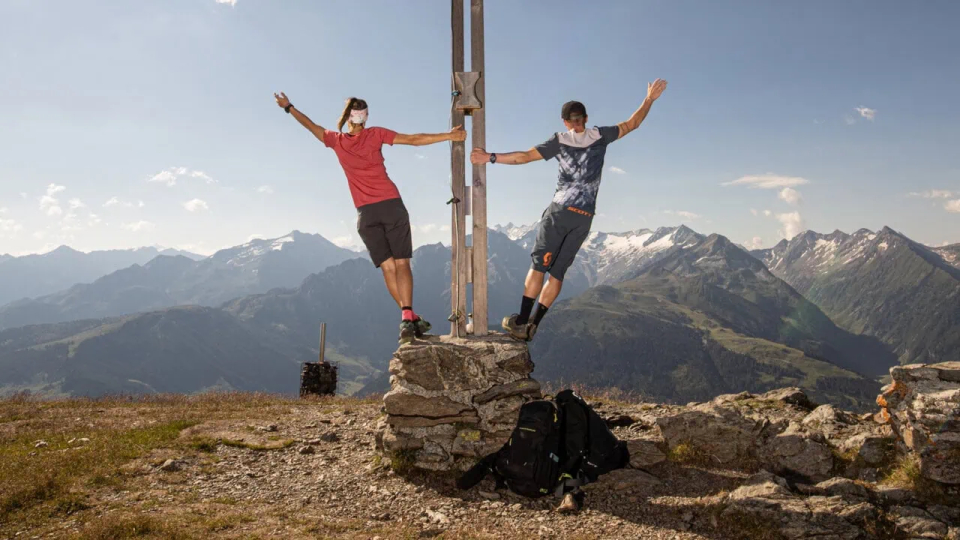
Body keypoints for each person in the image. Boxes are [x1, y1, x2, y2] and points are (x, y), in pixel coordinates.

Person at [470, 79, 668, 341]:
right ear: (585, 118)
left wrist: (490, 157)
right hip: (584, 218)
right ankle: (534, 325)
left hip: (560, 213)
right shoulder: (600, 136)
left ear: (565, 121)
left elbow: (524, 157)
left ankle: (520, 320)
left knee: (539, 266)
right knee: (558, 272)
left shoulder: (560, 140)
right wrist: (649, 99)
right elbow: (633, 124)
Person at [275, 92, 467, 344]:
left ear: (347, 117)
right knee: (402, 264)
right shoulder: (375, 134)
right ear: (364, 117)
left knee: (388, 267)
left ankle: (408, 317)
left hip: (365, 214)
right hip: (391, 206)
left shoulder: (336, 140)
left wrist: (288, 107)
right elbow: (414, 140)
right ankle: (409, 317)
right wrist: (450, 136)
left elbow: (311, 126)